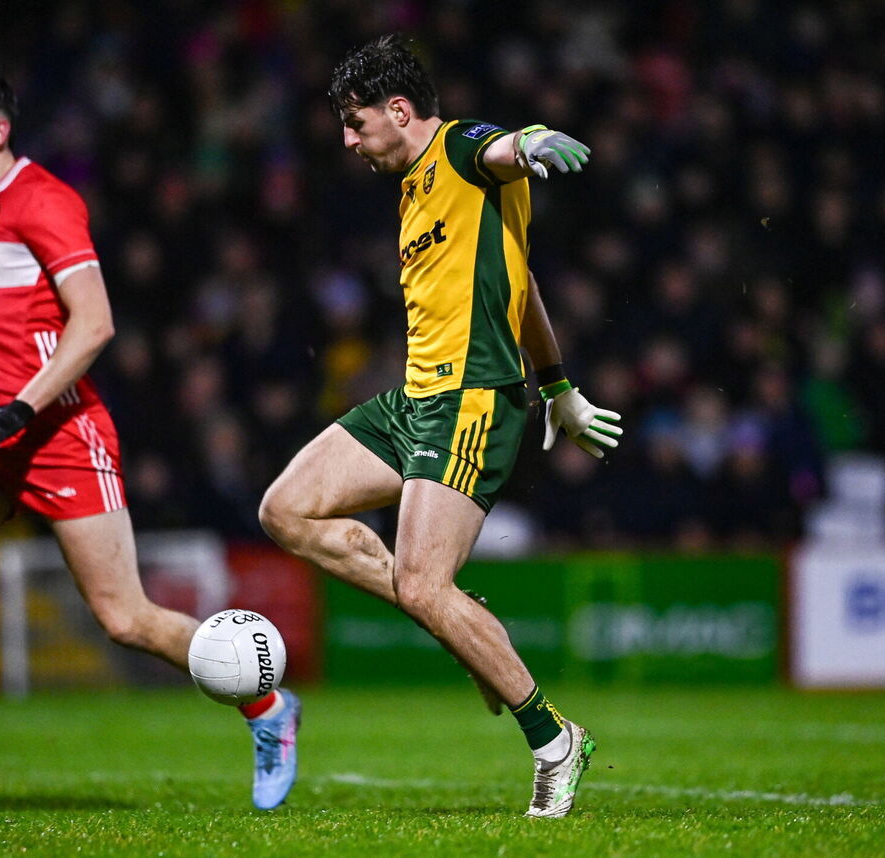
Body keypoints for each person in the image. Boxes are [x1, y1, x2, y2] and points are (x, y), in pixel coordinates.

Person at [0, 66, 300, 813]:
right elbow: (1, 330)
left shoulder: (43, 200)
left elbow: (93, 323)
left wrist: (20, 409)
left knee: (125, 618)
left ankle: (269, 708)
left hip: (57, 430)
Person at [258, 35, 621, 818]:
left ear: (398, 111)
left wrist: (533, 141)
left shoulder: (457, 149)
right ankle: (456, 618)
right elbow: (521, 284)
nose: (347, 141)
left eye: (355, 123)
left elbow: (501, 148)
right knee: (285, 511)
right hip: (416, 399)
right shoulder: (414, 190)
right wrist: (559, 384)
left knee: (425, 584)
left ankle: (554, 740)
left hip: (472, 401)